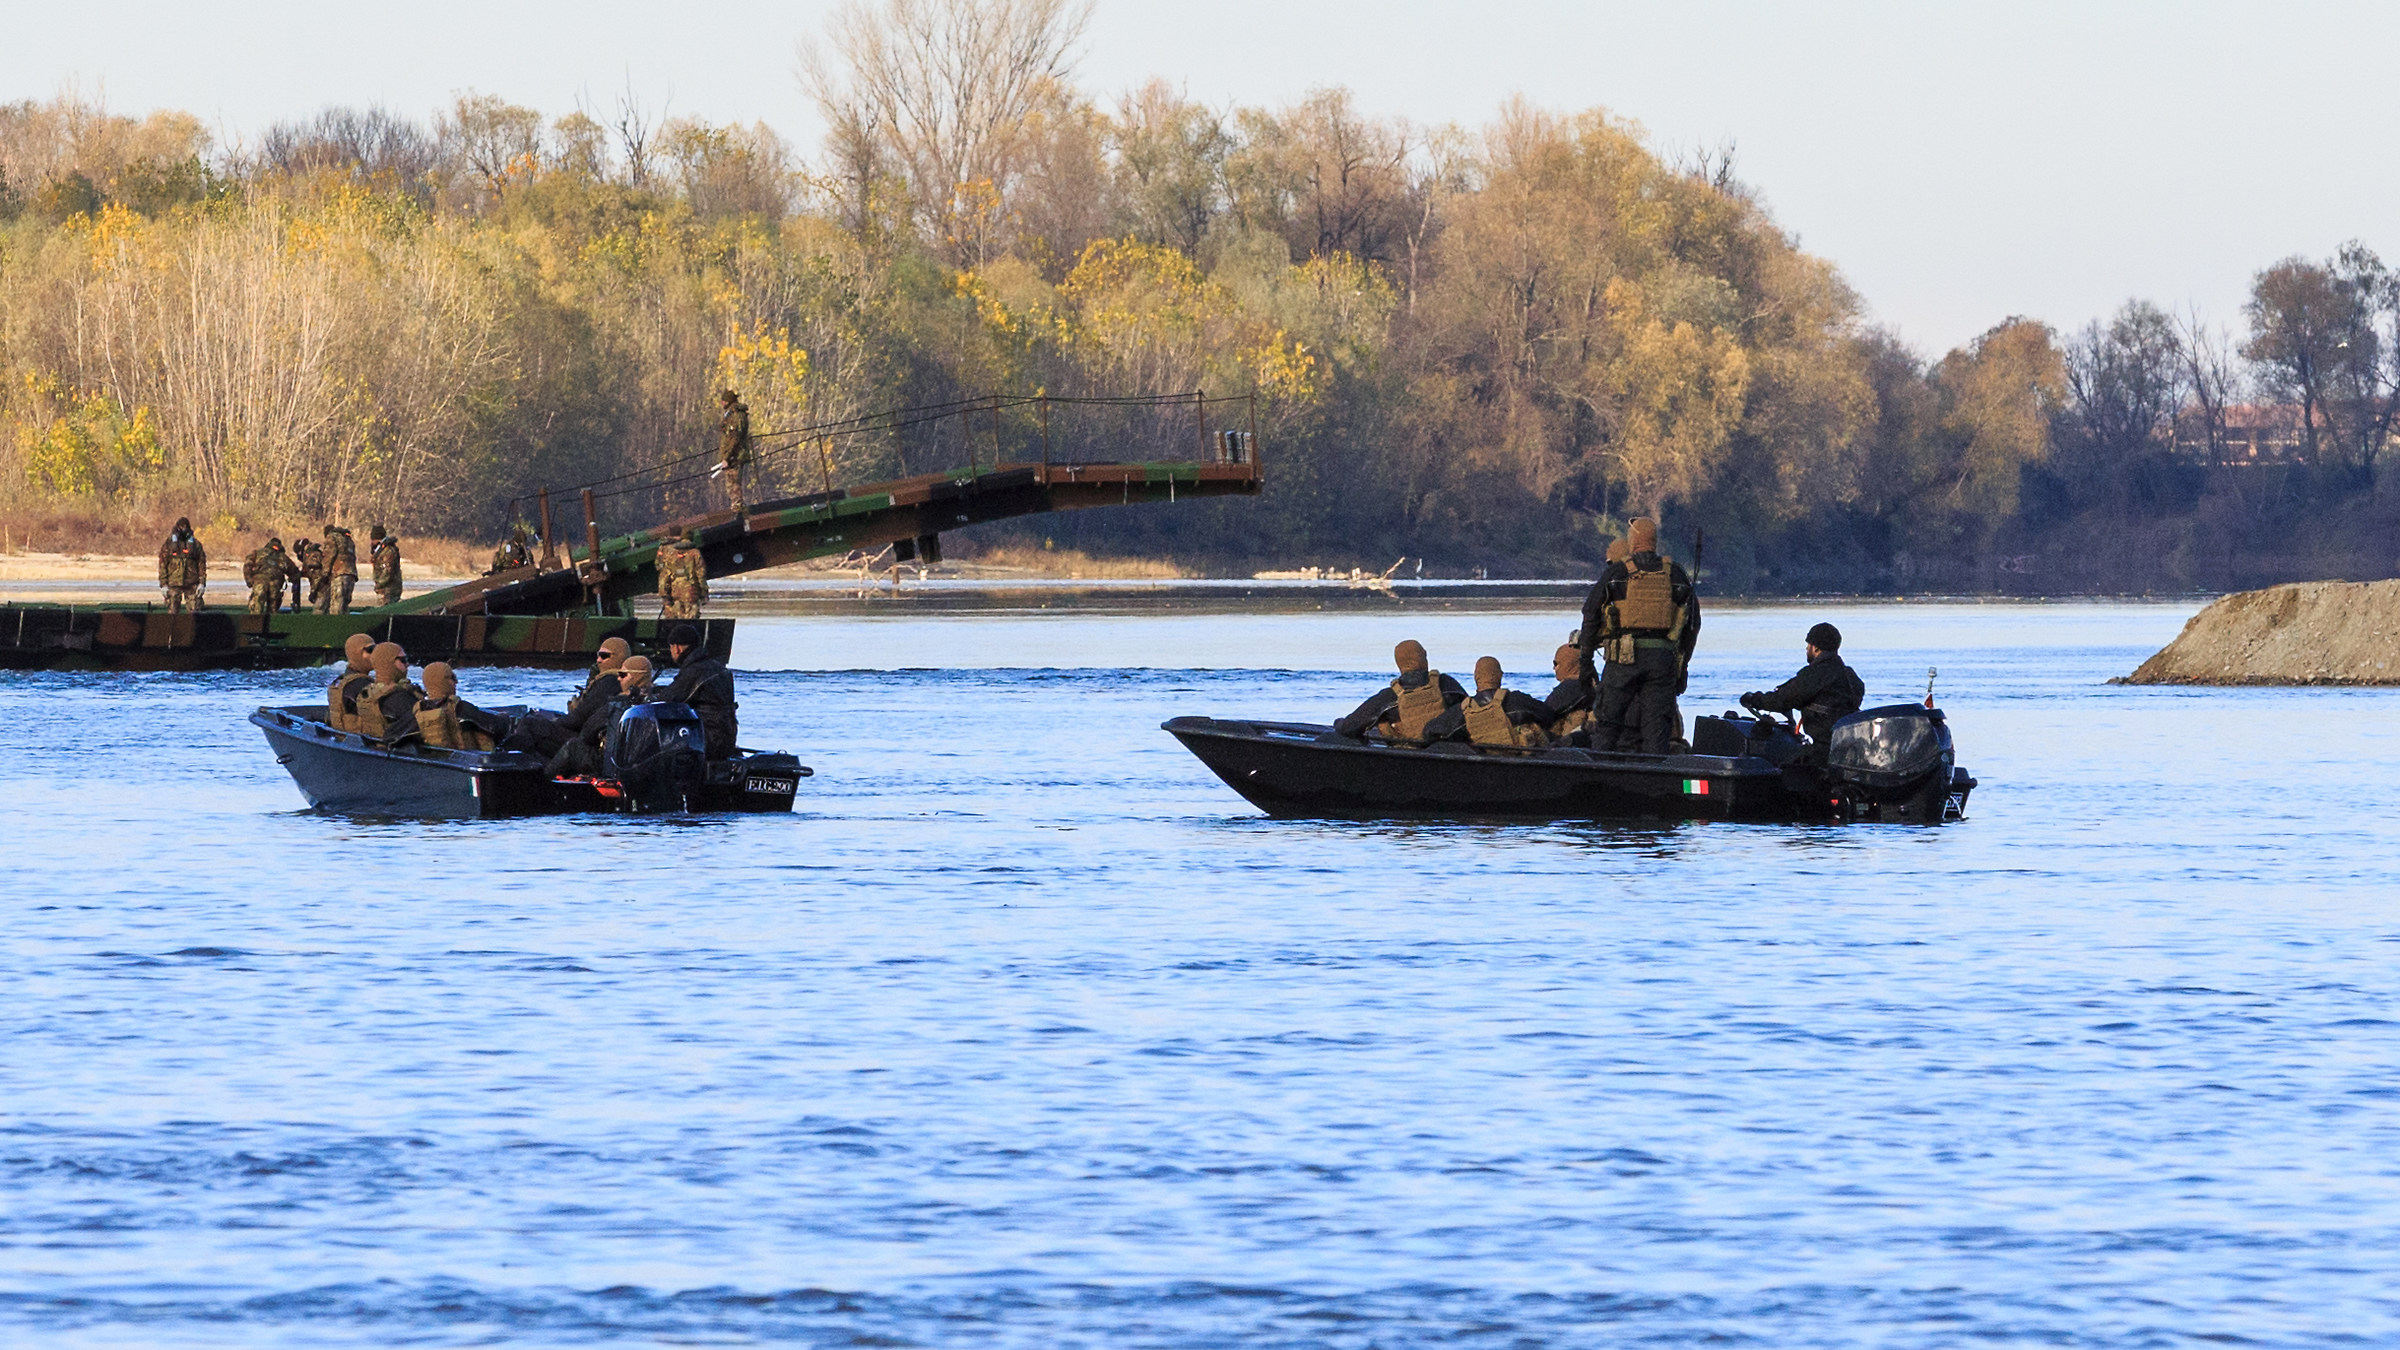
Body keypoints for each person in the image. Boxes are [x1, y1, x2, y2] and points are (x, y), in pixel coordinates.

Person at [1578, 516, 1700, 756]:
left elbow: (1590, 613)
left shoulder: (1618, 573)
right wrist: (1682, 666)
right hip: (1662, 662)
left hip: (1624, 659)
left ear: (1632, 541)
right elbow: (1692, 624)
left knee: (1608, 725)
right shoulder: (1675, 575)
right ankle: (1654, 783)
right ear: (1655, 542)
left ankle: (1598, 776)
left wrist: (1585, 661)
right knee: (1656, 731)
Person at [499, 636, 633, 758]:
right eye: (598, 655)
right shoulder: (614, 681)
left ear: (617, 657)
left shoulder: (609, 682)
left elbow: (578, 719)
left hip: (585, 741)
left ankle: (510, 760)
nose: (598, 660)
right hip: (589, 738)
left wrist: (550, 725)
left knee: (530, 723)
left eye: (604, 656)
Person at [1741, 622, 1865, 750]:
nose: (1806, 649)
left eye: (1808, 645)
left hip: (1822, 748)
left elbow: (1784, 698)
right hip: (1845, 745)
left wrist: (1754, 700)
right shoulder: (1851, 676)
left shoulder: (1816, 673)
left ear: (1816, 648)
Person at [1332, 640, 1467, 740]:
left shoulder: (1389, 697)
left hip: (1410, 753)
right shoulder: (1448, 685)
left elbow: (1348, 728)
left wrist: (1338, 723)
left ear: (1398, 664)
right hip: (1446, 748)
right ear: (1424, 658)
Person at [550, 655, 655, 776]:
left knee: (573, 746)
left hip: (612, 766)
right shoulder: (657, 701)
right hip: (644, 769)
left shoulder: (618, 704)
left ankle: (545, 785)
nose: (619, 679)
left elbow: (587, 733)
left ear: (635, 678)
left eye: (622, 675)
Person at [1424, 656, 1557, 747]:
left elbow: (1430, 732)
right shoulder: (1518, 701)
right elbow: (1549, 715)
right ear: (1500, 676)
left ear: (1476, 678)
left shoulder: (1463, 711)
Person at [658, 623, 738, 759]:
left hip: (707, 737)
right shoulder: (719, 668)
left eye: (670, 647)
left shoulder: (695, 671)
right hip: (728, 735)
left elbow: (668, 699)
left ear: (676, 648)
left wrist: (647, 697)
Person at [413, 662, 511, 750]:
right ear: (443, 681)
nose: (456, 682)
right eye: (453, 677)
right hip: (469, 760)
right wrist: (505, 717)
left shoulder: (419, 710)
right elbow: (495, 727)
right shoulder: (460, 707)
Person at [357, 642, 423, 742]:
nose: (407, 664)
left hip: (376, 746)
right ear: (388, 663)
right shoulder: (401, 698)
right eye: (403, 660)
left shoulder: (368, 692)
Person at [1541, 643, 1596, 741]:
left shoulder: (1572, 686)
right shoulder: (1591, 683)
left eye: (1556, 663)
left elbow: (1544, 712)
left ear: (1569, 663)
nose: (1554, 668)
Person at [325, 633, 378, 732]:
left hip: (342, 735)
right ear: (357, 653)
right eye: (370, 650)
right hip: (360, 740)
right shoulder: (361, 684)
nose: (375, 654)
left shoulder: (340, 680)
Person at [713, 389, 752, 516]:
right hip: (733, 455)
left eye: (723, 400)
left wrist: (727, 457)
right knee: (731, 483)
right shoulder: (731, 414)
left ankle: (738, 509)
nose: (721, 403)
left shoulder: (735, 416)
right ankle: (737, 508)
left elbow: (734, 438)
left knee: (733, 483)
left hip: (735, 456)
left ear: (728, 401)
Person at [157, 518, 207, 614]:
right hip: (173, 584)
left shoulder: (196, 545)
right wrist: (163, 584)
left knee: (195, 613)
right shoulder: (169, 544)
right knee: (172, 614)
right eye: (181, 527)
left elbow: (201, 564)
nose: (183, 529)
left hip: (192, 583)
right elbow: (163, 564)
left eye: (185, 527)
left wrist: (202, 583)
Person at [242, 537, 300, 616]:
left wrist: (249, 580)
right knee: (272, 613)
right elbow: (295, 574)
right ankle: (271, 627)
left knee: (256, 611)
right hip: (275, 586)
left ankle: (254, 627)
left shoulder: (258, 553)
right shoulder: (283, 557)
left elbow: (247, 566)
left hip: (260, 584)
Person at [656, 530, 707, 619]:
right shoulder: (695, 553)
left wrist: (665, 594)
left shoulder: (671, 554)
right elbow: (701, 575)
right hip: (691, 592)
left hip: (675, 591)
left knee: (676, 618)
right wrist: (704, 593)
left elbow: (665, 575)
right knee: (690, 620)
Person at [316, 523, 357, 614]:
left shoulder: (332, 537)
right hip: (351, 575)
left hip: (339, 574)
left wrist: (325, 574)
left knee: (336, 607)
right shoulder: (348, 539)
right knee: (344, 606)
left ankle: (335, 627)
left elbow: (329, 556)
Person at [369, 524, 403, 607]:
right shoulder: (379, 550)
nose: (371, 542)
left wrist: (379, 584)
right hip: (384, 589)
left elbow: (388, 571)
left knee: (386, 611)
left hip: (390, 590)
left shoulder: (388, 551)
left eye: (373, 539)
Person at [291, 536, 322, 611]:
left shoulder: (311, 555)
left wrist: (313, 592)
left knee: (319, 611)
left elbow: (317, 576)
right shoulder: (312, 554)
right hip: (321, 585)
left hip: (322, 586)